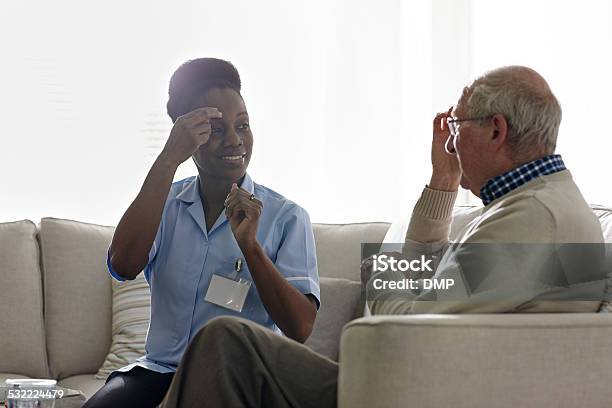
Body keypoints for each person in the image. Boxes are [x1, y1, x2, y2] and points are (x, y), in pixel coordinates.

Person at [157, 65, 606, 408]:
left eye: (456, 127)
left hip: (415, 389)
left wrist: (384, 269)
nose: (449, 143)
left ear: (495, 130)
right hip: (436, 378)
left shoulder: (530, 221)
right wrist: (443, 184)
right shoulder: (542, 205)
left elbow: (400, 321)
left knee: (227, 342)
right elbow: (426, 300)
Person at [83, 58, 320, 408]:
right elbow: (123, 265)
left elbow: (300, 328)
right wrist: (168, 159)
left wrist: (251, 247)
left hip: (237, 380)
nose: (236, 141)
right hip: (159, 372)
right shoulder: (165, 204)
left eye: (243, 125)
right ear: (189, 135)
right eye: (218, 130)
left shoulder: (287, 218)